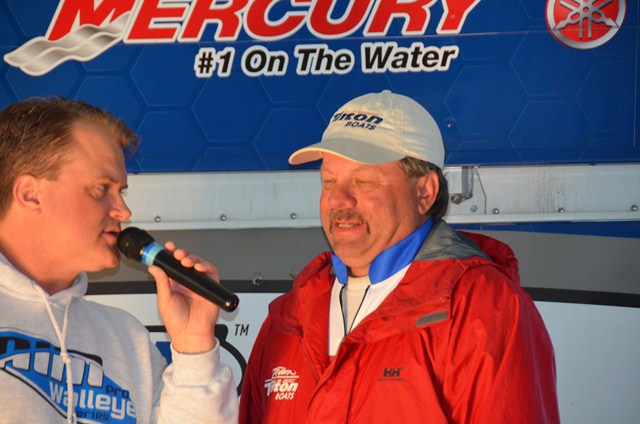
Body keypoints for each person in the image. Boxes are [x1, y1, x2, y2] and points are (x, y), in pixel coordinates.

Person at [239, 90, 560, 423]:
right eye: (329, 181)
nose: (338, 200)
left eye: (363, 181)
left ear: (424, 192)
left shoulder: (482, 308)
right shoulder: (288, 319)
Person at [0, 97, 238, 423]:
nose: (124, 212)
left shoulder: (126, 339)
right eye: (101, 188)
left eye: (121, 192)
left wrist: (194, 346)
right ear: (30, 194)